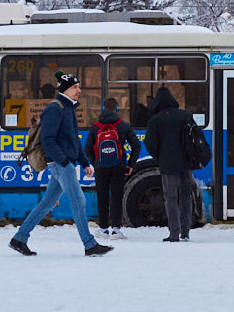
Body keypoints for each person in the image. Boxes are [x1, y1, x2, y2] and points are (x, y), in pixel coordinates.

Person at [9, 72, 112, 257]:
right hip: (60, 163)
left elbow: (74, 140)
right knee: (79, 201)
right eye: (75, 87)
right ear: (65, 89)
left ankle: (19, 238)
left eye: (79, 86)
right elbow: (48, 140)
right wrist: (64, 161)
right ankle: (89, 245)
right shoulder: (55, 109)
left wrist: (84, 162)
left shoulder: (69, 108)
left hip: (64, 162)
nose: (79, 90)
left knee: (47, 203)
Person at [144, 86, 197, 242]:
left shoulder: (156, 120)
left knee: (170, 197)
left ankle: (174, 233)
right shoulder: (185, 116)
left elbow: (150, 143)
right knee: (186, 197)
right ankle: (186, 232)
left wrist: (159, 156)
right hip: (186, 163)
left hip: (168, 164)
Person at [84, 98, 142, 239]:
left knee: (102, 197)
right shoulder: (124, 126)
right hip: (119, 167)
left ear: (103, 109)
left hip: (101, 168)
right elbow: (137, 145)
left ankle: (103, 229)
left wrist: (96, 162)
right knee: (117, 197)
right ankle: (116, 229)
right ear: (117, 109)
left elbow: (87, 149)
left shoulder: (95, 127)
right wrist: (130, 164)